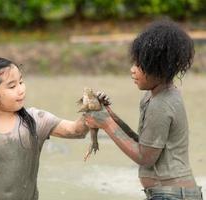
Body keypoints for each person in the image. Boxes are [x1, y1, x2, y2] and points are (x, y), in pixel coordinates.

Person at [84, 20, 203, 200]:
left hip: (172, 195)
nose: (132, 70)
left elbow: (145, 157)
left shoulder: (162, 103)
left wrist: (107, 124)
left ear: (158, 67)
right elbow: (143, 144)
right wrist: (108, 114)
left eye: (140, 65)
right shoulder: (154, 96)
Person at [0, 57, 89, 200]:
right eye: (12, 86)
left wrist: (91, 110)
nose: (21, 90)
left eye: (21, 82)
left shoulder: (36, 120)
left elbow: (76, 131)